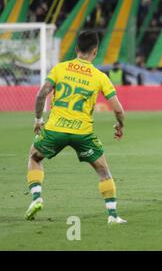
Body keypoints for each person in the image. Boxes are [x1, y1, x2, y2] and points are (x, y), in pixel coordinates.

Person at [25, 31, 127, 224]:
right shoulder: (99, 76)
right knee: (103, 171)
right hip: (83, 133)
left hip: (55, 129)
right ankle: (113, 216)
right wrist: (119, 125)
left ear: (76, 49)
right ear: (95, 51)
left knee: (34, 156)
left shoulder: (60, 69)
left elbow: (41, 94)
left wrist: (38, 119)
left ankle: (37, 198)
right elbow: (119, 110)